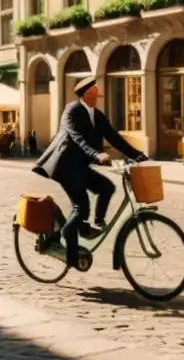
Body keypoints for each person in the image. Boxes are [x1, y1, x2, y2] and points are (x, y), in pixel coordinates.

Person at [32, 76, 145, 269]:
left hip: (80, 166)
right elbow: (75, 137)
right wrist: (95, 154)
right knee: (81, 205)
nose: (96, 97)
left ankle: (96, 223)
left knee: (106, 187)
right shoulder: (72, 110)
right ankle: (68, 234)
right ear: (85, 94)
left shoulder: (96, 114)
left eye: (97, 94)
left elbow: (113, 136)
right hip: (65, 166)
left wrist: (138, 155)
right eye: (93, 93)